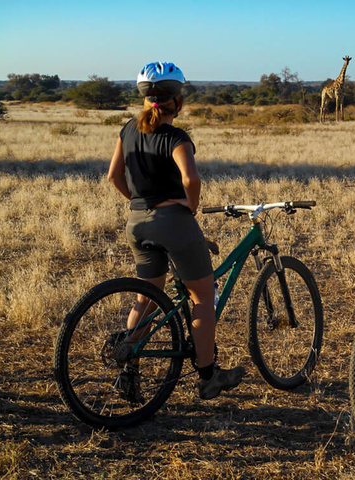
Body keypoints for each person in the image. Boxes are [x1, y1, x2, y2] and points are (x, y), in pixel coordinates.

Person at [107, 61, 245, 402]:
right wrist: (189, 206)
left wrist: (141, 202)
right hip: (173, 223)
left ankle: (129, 368)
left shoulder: (127, 130)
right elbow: (192, 179)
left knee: (147, 298)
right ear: (177, 101)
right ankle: (209, 376)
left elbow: (113, 177)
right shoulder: (177, 138)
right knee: (201, 298)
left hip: (136, 223)